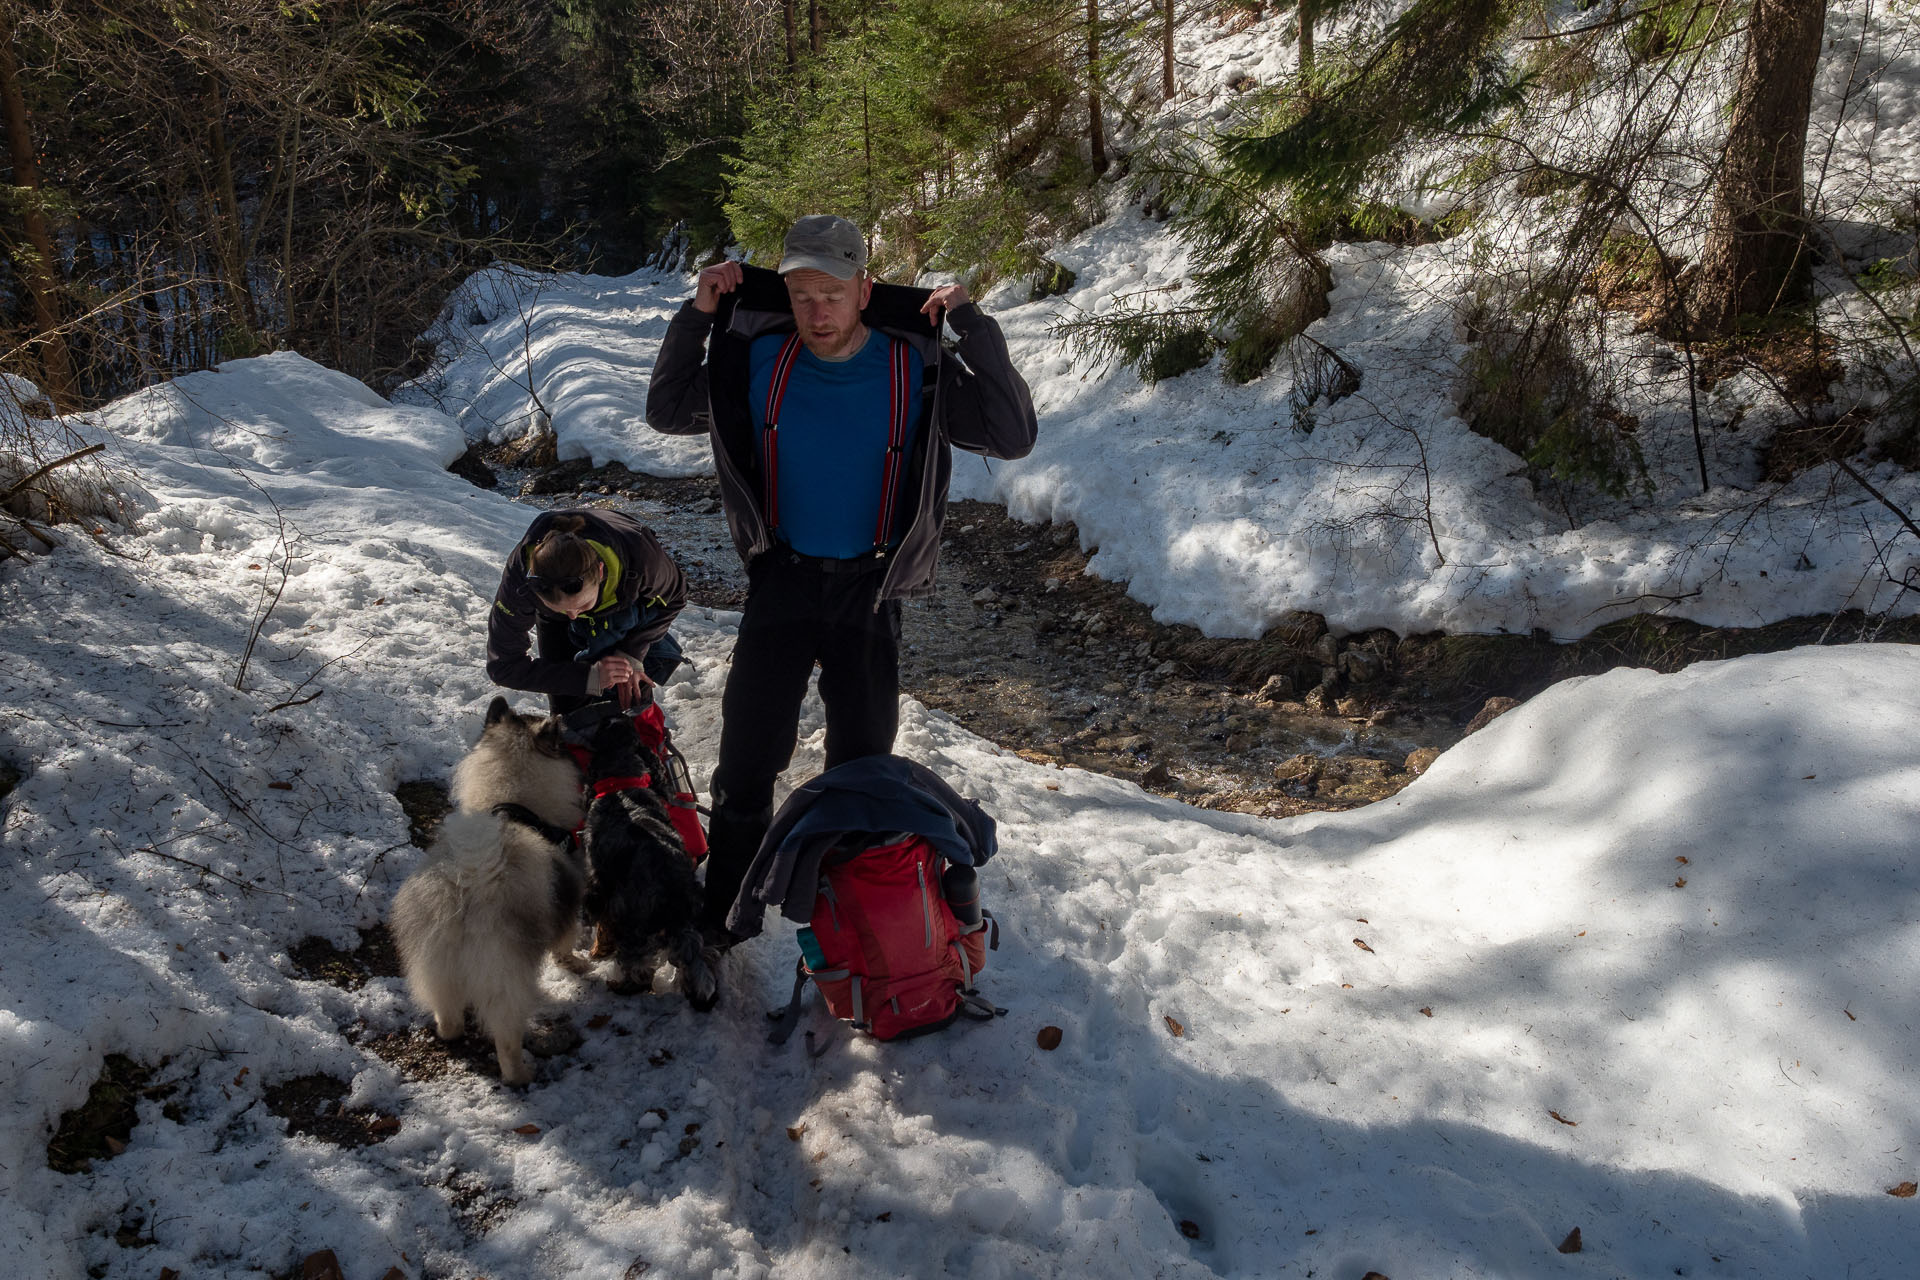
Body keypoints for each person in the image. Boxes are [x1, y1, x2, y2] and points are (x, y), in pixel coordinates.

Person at [646, 214, 1038, 943]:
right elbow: (667, 409)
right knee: (745, 762)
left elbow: (1012, 434)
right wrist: (697, 314)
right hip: (782, 581)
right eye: (800, 295)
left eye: (832, 293)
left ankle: (854, 918)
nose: (816, 312)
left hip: (870, 590)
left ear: (865, 288)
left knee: (860, 771)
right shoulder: (758, 356)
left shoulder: (911, 364)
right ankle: (723, 916)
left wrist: (973, 326)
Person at [486, 508, 688, 714]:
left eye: (580, 606)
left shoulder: (641, 556)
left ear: (600, 571)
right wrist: (587, 678)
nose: (573, 616)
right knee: (568, 710)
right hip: (554, 620)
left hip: (621, 600)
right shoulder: (519, 583)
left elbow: (676, 596)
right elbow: (503, 666)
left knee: (630, 692)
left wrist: (632, 652)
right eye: (563, 609)